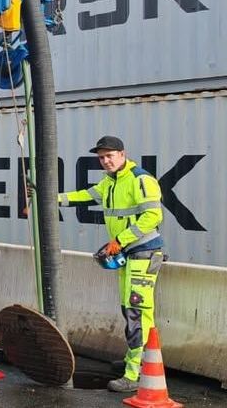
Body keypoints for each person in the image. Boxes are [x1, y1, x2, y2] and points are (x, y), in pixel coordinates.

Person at [57, 136, 165, 393]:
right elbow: (84, 196)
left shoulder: (140, 179)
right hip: (128, 253)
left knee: (137, 312)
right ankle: (134, 360)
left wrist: (120, 239)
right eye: (102, 157)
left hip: (143, 252)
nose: (106, 161)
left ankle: (134, 373)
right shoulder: (110, 182)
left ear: (122, 154)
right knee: (128, 308)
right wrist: (54, 198)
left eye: (110, 156)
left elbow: (154, 216)